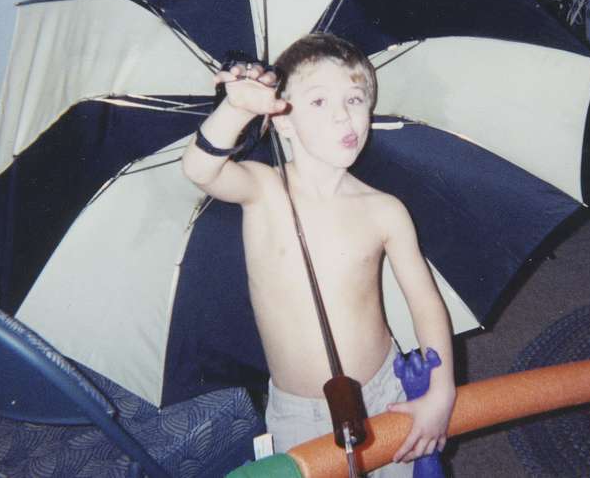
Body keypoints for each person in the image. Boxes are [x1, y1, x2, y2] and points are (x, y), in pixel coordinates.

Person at [181, 33, 455, 476]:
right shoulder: (263, 189)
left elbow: (426, 304)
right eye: (319, 102)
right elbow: (199, 169)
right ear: (282, 120)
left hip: (383, 391)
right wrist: (237, 108)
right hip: (298, 414)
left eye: (355, 98)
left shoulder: (385, 210)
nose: (343, 115)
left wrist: (440, 394)